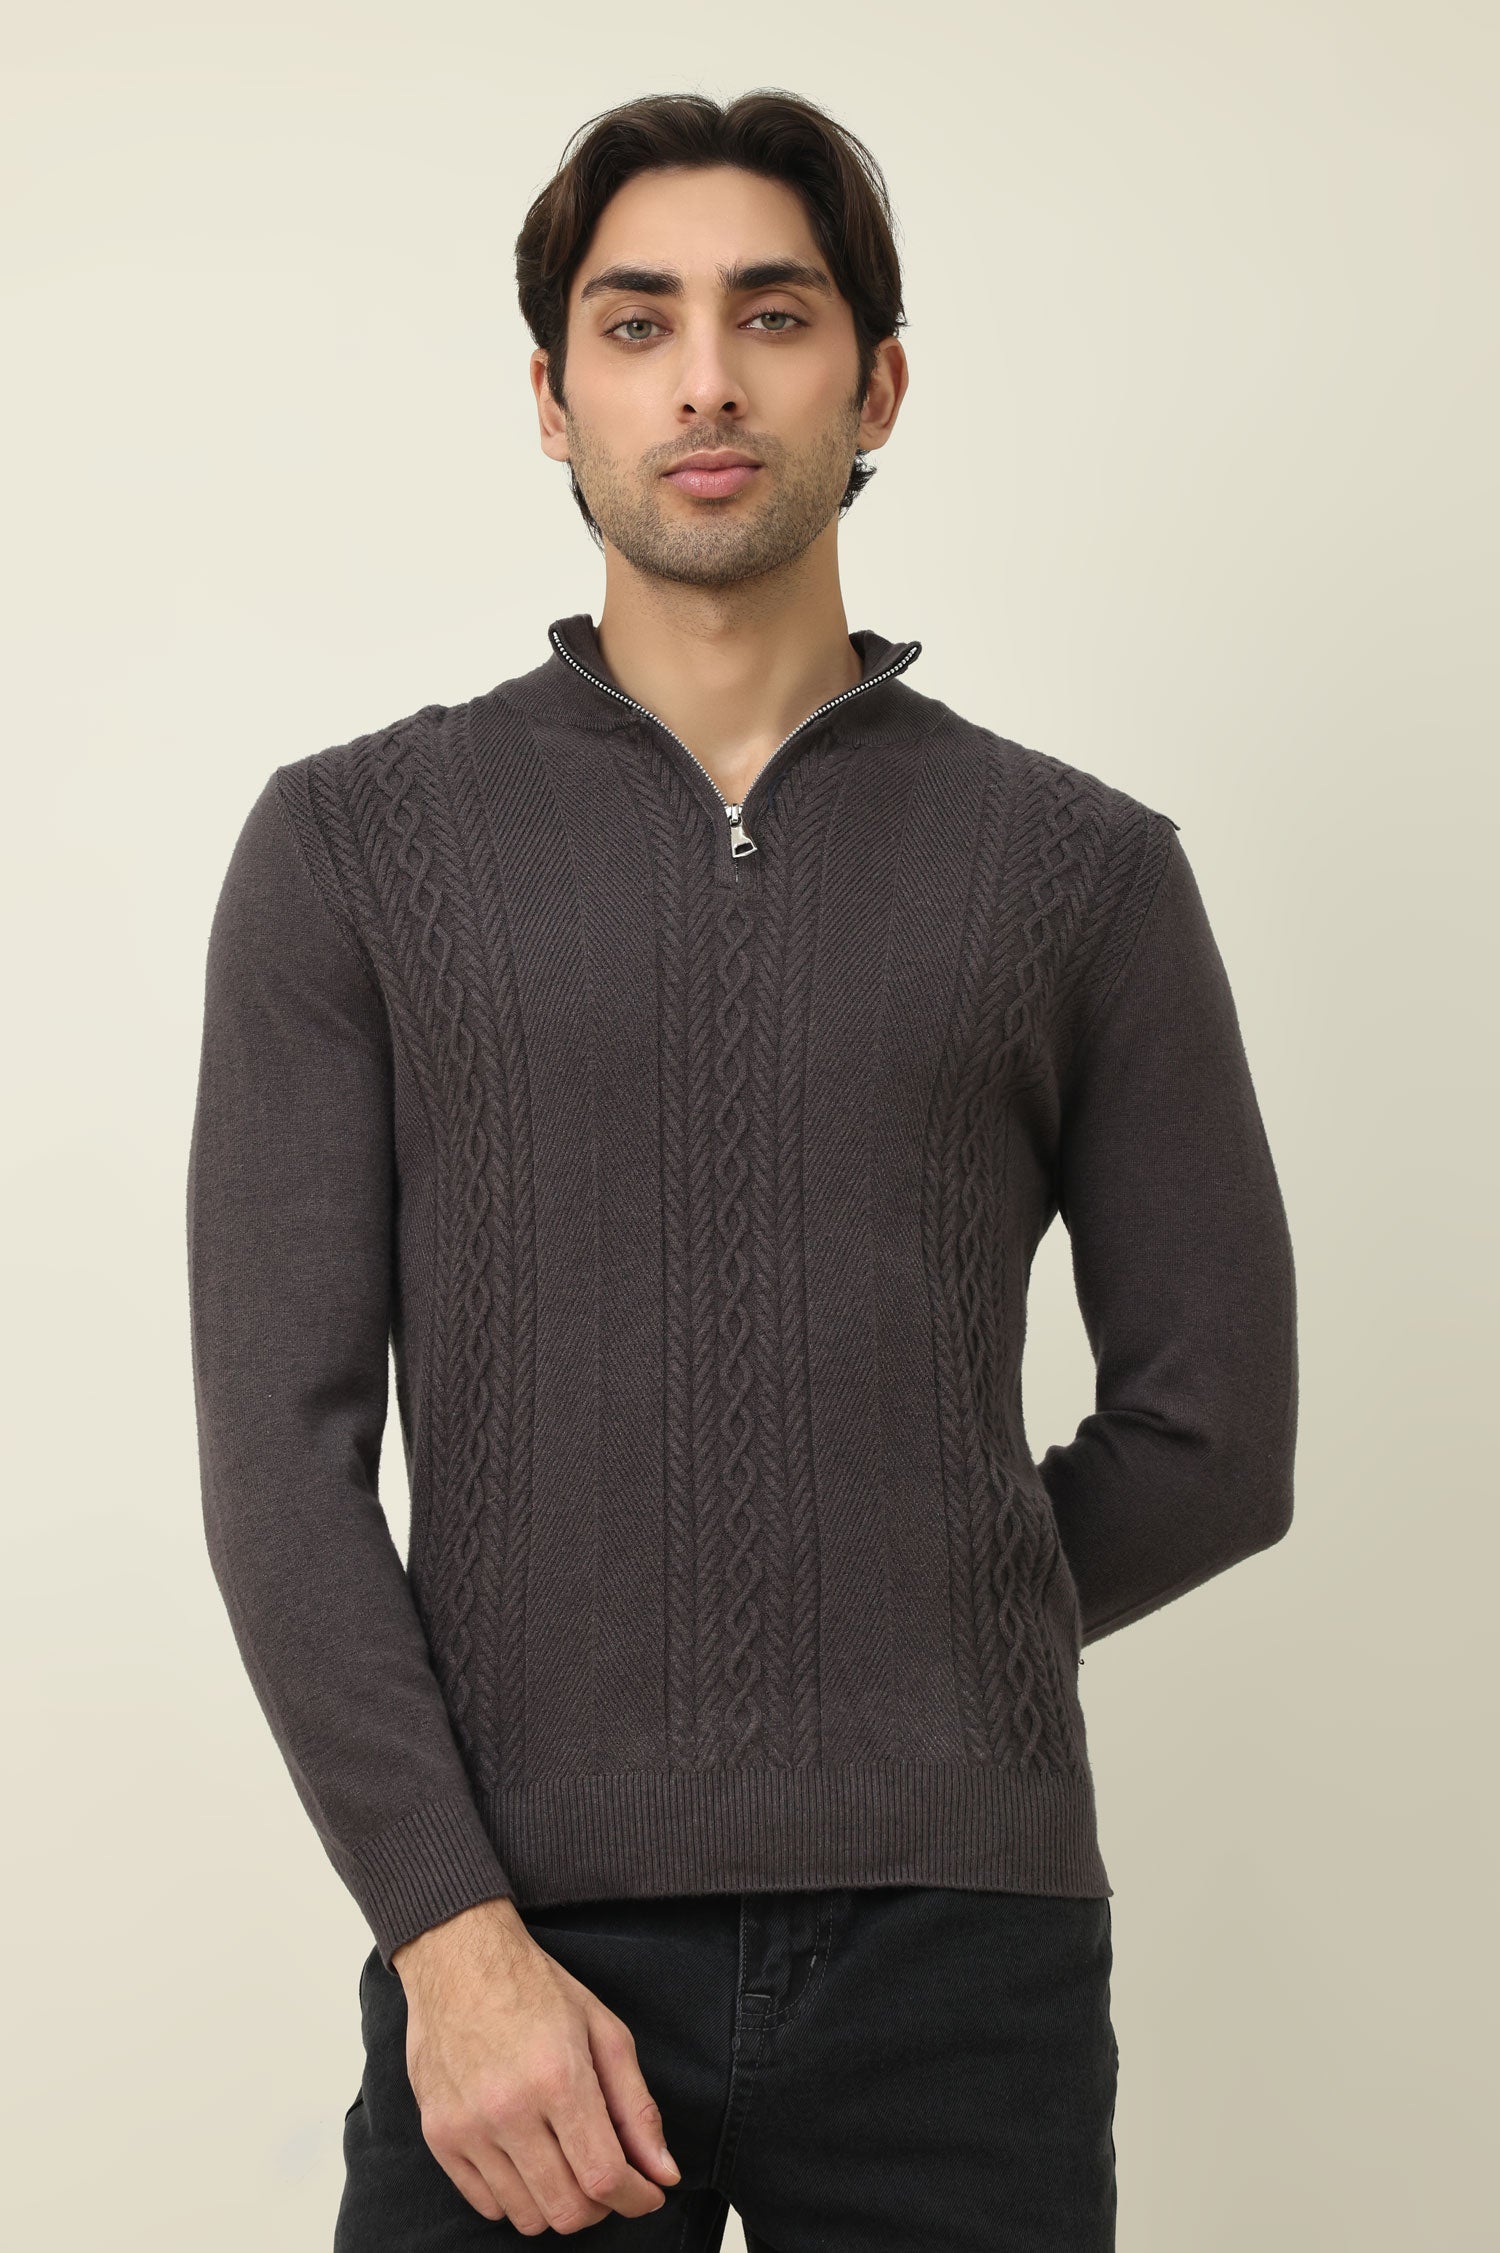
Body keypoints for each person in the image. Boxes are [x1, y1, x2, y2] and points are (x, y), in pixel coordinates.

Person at [185, 87, 1298, 2251]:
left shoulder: (1082, 868)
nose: (705, 379)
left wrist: (912, 1634)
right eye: (639, 323)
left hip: (963, 1956)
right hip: (515, 1937)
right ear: (552, 397)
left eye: (773, 316)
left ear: (876, 386)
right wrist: (449, 1936)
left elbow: (1216, 1438)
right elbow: (281, 1468)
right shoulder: (349, 848)